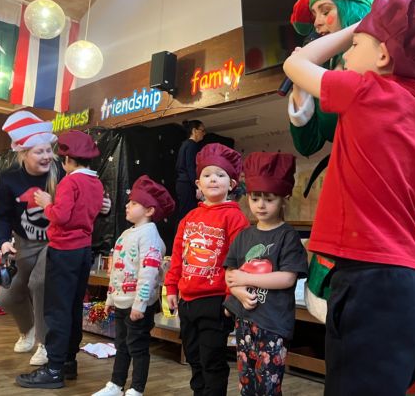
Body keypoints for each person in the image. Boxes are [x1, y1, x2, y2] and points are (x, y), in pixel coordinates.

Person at [283, 0, 415, 395]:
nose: (345, 53)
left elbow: (296, 62)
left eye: (355, 44)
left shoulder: (364, 91)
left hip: (371, 285)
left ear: (382, 56)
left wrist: (355, 24)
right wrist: (409, 243)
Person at [16, 130, 104, 389]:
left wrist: (47, 203)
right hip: (83, 251)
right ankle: (68, 362)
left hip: (64, 250)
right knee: (73, 307)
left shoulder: (70, 182)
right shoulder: (96, 183)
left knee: (57, 310)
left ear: (67, 160)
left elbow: (60, 216)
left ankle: (53, 368)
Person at [165, 143, 249, 396]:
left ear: (231, 184)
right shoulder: (188, 218)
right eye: (207, 175)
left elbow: (239, 261)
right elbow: (178, 256)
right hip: (187, 300)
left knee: (212, 360)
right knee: (193, 357)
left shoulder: (235, 218)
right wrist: (171, 287)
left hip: (216, 301)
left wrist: (231, 298)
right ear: (198, 184)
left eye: (220, 175)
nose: (213, 179)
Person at [223, 152, 308, 395]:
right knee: (246, 383)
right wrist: (238, 292)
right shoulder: (244, 235)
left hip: (273, 324)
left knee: (268, 386)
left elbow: (287, 278)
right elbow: (230, 273)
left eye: (269, 199)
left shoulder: (287, 236)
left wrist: (246, 278)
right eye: (255, 198)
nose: (260, 205)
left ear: (283, 199)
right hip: (244, 321)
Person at [92, 175, 175, 396]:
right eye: (129, 202)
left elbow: (148, 273)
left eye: (135, 203)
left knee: (137, 347)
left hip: (138, 306)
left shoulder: (150, 236)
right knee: (121, 345)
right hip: (121, 301)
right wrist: (110, 298)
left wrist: (140, 304)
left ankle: (136, 388)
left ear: (149, 210)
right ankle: (116, 384)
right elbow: (116, 271)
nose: (127, 206)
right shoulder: (125, 234)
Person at [0, 111, 61, 366]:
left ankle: (44, 343)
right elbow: (1, 216)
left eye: (48, 150)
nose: (46, 156)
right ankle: (29, 330)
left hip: (53, 241)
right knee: (6, 297)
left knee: (39, 283)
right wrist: (3, 241)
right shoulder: (9, 178)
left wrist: (103, 207)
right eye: (39, 152)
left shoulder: (60, 172)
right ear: (23, 154)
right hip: (22, 243)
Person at [175, 120, 206, 220]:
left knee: (184, 213)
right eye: (202, 130)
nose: (204, 133)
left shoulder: (184, 144)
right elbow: (190, 167)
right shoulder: (192, 145)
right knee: (188, 214)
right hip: (187, 184)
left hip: (182, 183)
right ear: (194, 131)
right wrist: (197, 186)